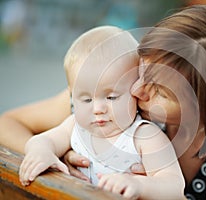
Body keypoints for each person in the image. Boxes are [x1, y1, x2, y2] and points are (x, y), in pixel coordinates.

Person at [0, 4, 206, 200]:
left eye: (161, 92)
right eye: (144, 69)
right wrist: (66, 159)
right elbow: (8, 124)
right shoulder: (112, 99)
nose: (138, 90)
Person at [18, 26, 185, 199]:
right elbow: (41, 140)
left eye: (112, 97)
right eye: (87, 100)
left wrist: (139, 184)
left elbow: (174, 185)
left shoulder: (145, 136)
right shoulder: (74, 126)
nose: (98, 109)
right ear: (72, 95)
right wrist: (42, 152)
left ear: (134, 91)